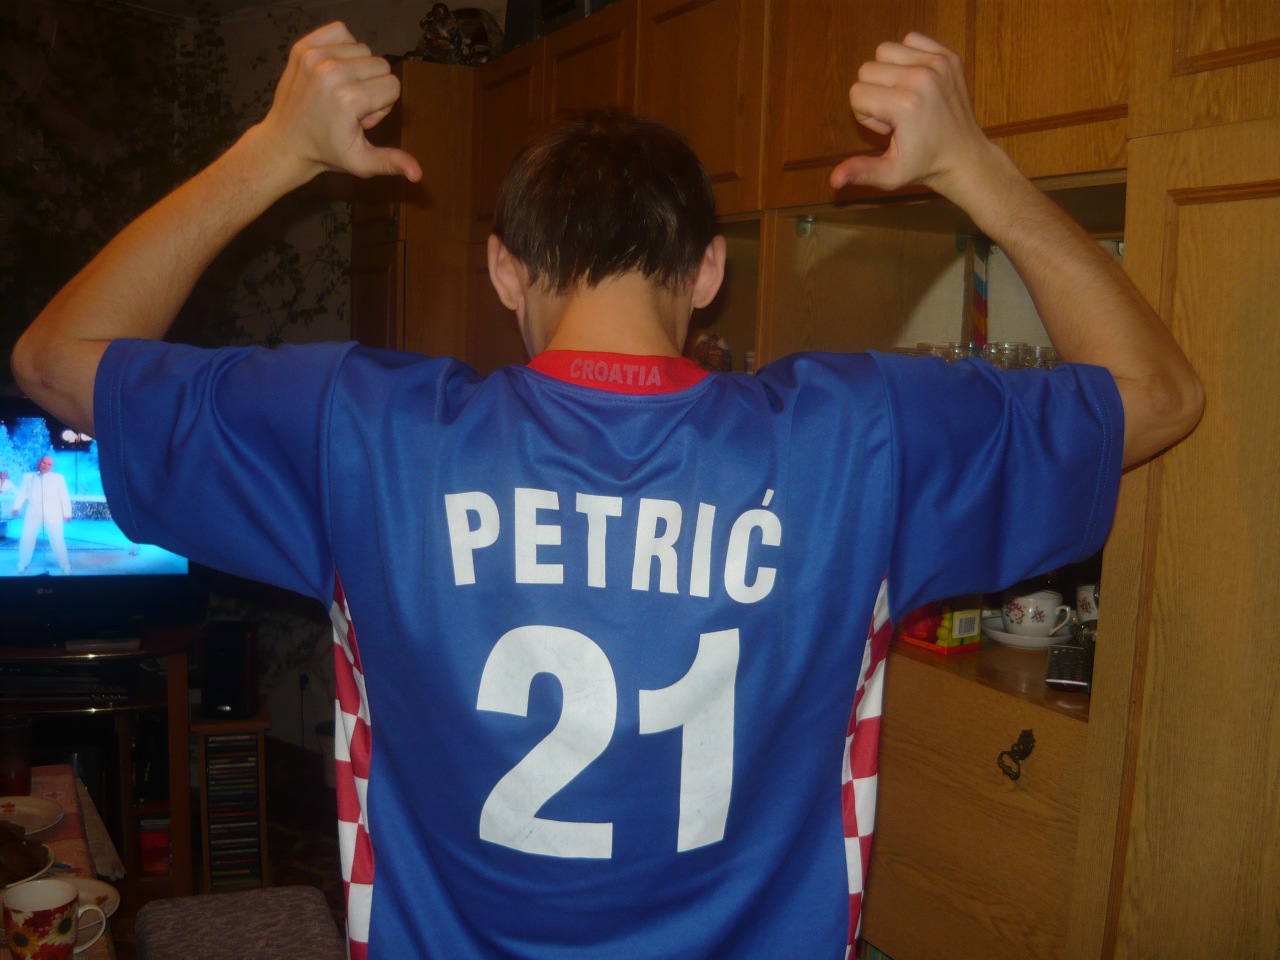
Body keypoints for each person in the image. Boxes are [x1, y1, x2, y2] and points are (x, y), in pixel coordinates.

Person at [11, 23, 1202, 960]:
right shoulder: (863, 436)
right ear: (707, 271)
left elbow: (54, 361)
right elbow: (1155, 395)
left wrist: (275, 149)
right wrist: (971, 166)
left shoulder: (359, 429)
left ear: (504, 269)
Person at [13, 455, 73, 574]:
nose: (45, 466)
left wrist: (67, 512)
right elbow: (22, 493)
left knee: (57, 539)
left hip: (53, 513)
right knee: (27, 537)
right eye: (44, 463)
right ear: (39, 462)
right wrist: (16, 506)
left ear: (52, 466)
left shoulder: (58, 478)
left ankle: (65, 564)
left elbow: (64, 495)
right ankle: (22, 563)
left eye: (49, 464)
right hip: (33, 513)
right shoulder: (28, 477)